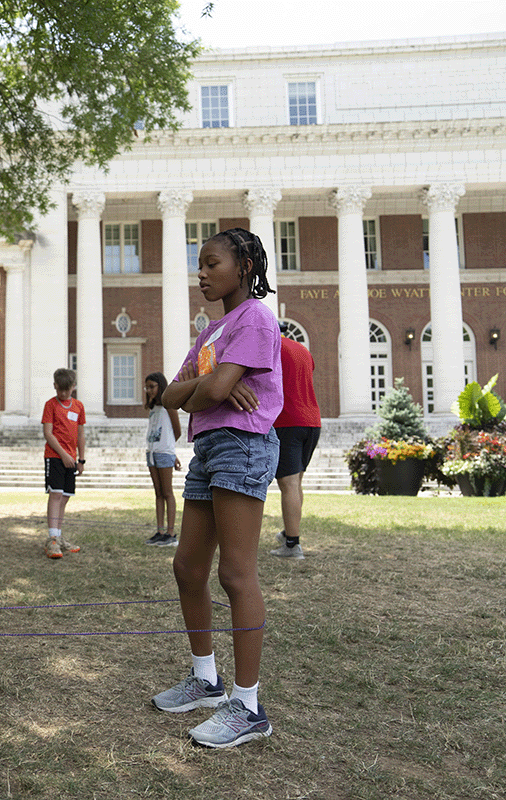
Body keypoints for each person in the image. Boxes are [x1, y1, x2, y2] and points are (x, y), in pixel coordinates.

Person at [153, 228, 282, 749]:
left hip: (243, 445)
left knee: (235, 572)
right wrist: (201, 390)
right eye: (198, 264)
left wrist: (204, 390)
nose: (201, 273)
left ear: (244, 265)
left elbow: (211, 390)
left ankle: (248, 707)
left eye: (211, 263)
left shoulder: (255, 318)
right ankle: (206, 680)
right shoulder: (212, 330)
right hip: (209, 448)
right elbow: (172, 395)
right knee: (187, 567)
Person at [271, 324, 320, 560]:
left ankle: (292, 545)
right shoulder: (302, 350)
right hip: (312, 421)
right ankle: (291, 532)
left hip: (288, 421)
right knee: (296, 482)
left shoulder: (272, 348)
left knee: (288, 484)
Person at [41, 368, 86, 559]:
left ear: (73, 387)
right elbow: (48, 433)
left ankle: (58, 536)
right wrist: (63, 455)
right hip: (55, 456)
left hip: (72, 458)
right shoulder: (50, 405)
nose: (63, 394)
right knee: (56, 494)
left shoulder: (78, 406)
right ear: (55, 387)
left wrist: (80, 459)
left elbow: (81, 434)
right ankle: (52, 539)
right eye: (60, 390)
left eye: (67, 390)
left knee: (66, 496)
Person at [142, 372, 182, 547]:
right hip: (151, 452)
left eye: (152, 387)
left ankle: (171, 533)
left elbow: (176, 431)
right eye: (147, 387)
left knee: (167, 492)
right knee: (158, 493)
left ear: (160, 386)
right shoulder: (153, 408)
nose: (149, 390)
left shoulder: (169, 406)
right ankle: (159, 531)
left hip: (164, 453)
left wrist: (170, 451)